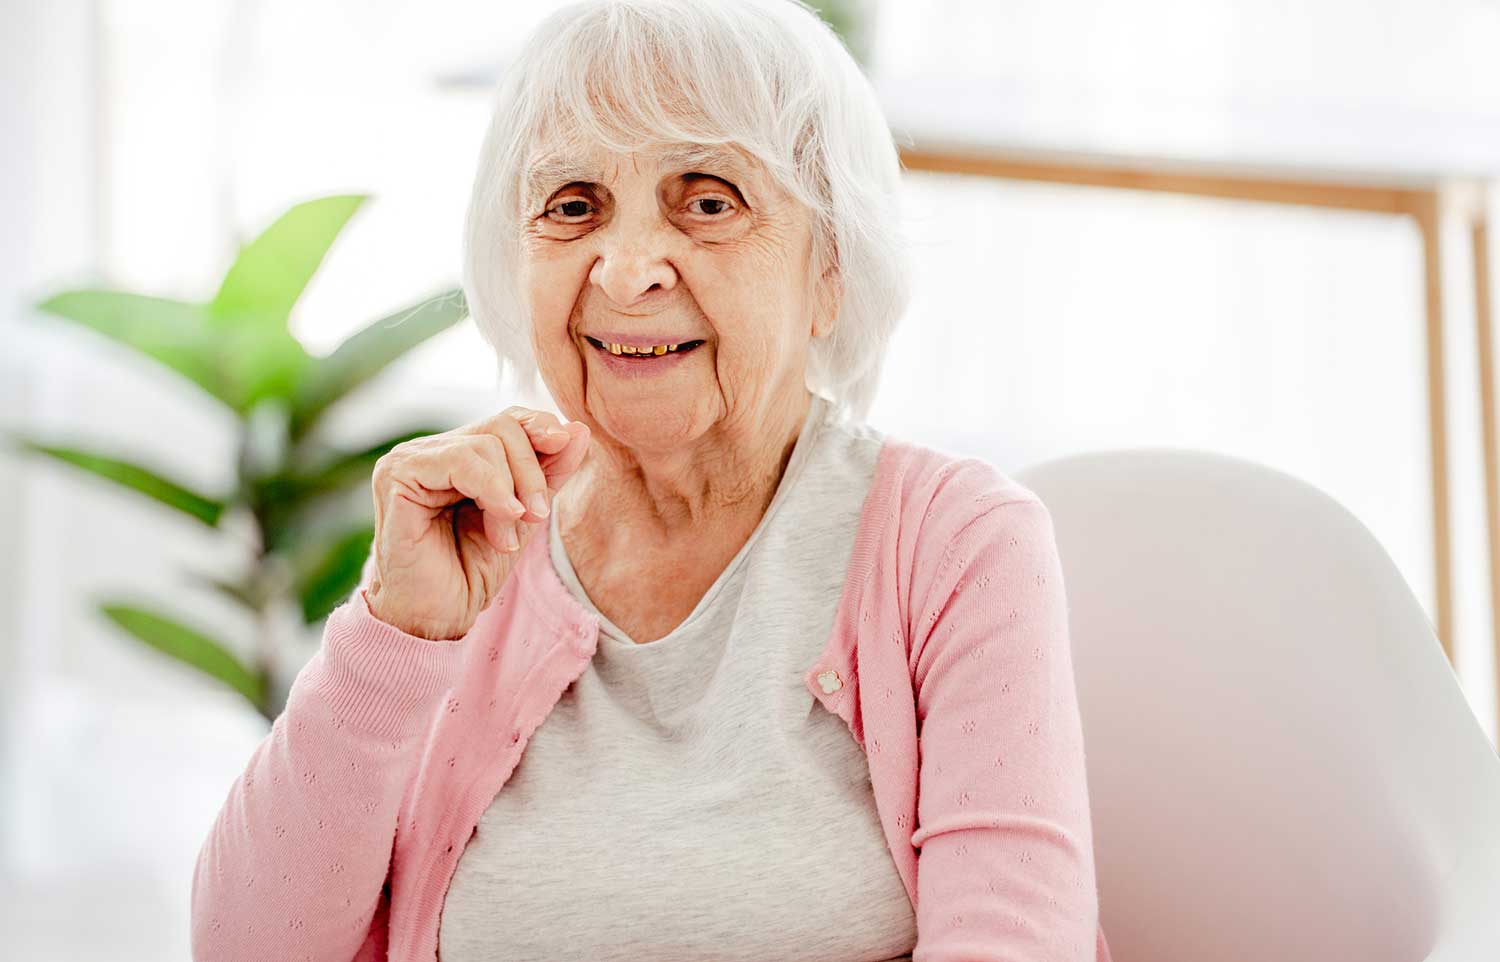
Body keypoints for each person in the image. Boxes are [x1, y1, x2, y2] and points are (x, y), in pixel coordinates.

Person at [190, 1, 1113, 960]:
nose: (627, 272)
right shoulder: (476, 539)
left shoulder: (956, 542)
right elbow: (244, 946)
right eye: (574, 205)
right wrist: (393, 633)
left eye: (709, 200)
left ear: (831, 266)